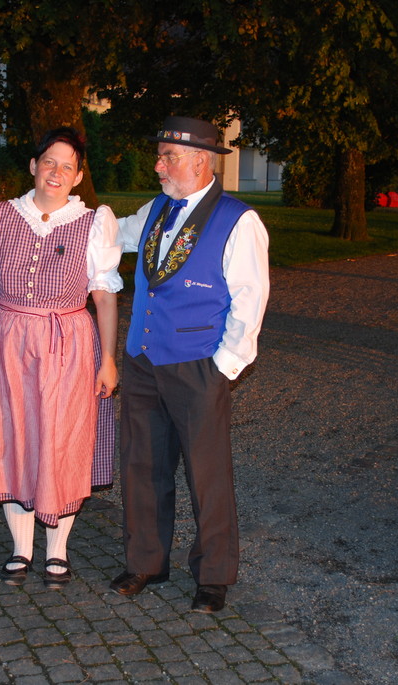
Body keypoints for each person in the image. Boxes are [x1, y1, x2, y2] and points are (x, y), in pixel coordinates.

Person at [110, 116, 269, 613]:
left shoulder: (238, 220)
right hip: (143, 360)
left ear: (201, 161)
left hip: (198, 365)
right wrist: (51, 215)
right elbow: (111, 236)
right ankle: (146, 562)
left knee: (207, 475)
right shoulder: (157, 208)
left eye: (168, 157)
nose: (158, 166)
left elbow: (250, 302)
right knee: (142, 466)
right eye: (160, 156)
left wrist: (221, 367)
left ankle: (214, 575)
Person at [0, 127, 121, 589]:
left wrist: (108, 360)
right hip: (4, 340)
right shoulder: (1, 212)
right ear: (33, 166)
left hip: (66, 343)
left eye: (67, 166)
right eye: (49, 162)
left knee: (59, 440)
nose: (56, 172)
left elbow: (104, 295)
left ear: (78, 176)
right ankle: (21, 547)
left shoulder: (94, 222)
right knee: (10, 435)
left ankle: (57, 550)